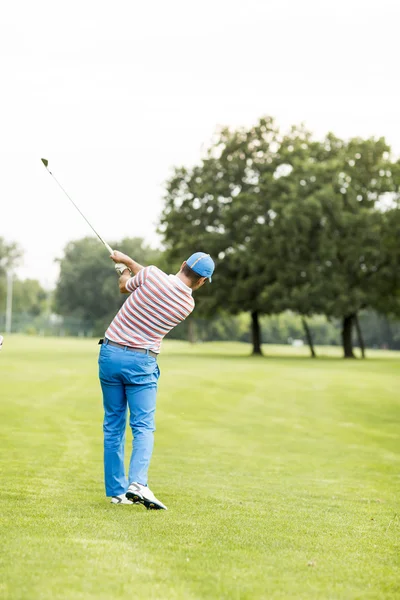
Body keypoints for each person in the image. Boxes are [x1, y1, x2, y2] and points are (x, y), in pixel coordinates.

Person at [98, 250, 215, 509]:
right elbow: (154, 278)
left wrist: (123, 269)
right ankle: (137, 482)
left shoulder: (151, 275)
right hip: (141, 363)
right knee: (142, 426)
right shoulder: (187, 305)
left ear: (183, 264)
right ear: (202, 281)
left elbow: (124, 286)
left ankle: (117, 492)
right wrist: (127, 261)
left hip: (110, 354)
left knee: (113, 424)